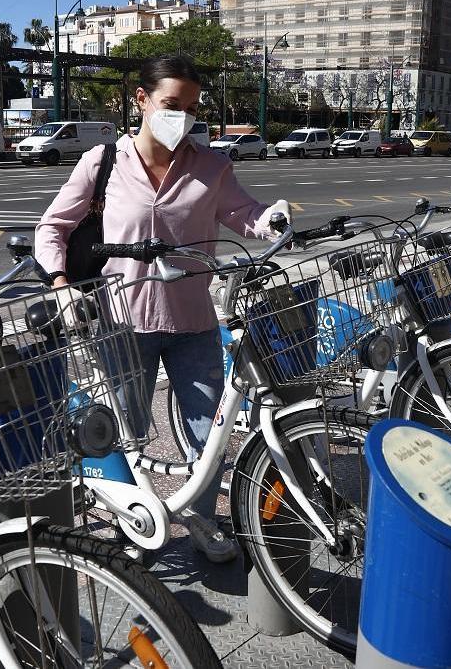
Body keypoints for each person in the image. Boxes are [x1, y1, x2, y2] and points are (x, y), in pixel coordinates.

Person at [35, 55, 289, 563]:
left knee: (207, 432)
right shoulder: (104, 162)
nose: (183, 117)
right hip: (121, 323)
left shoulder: (212, 164)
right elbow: (52, 227)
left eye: (192, 108)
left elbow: (243, 214)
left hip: (194, 320)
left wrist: (273, 219)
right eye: (172, 105)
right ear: (142, 101)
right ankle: (137, 524)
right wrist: (61, 285)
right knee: (124, 434)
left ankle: (203, 522)